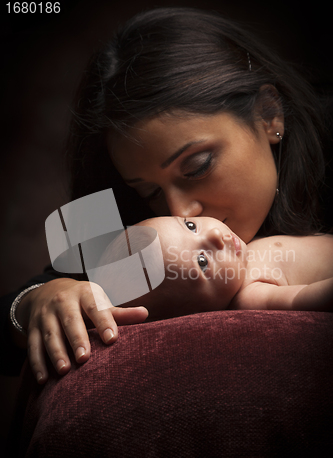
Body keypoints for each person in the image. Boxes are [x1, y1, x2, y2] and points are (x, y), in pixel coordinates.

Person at [2, 7, 329, 383]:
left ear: (270, 115)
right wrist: (37, 300)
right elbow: (29, 296)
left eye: (197, 167)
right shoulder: (128, 213)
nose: (178, 209)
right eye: (151, 191)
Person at [94, 216, 333, 320]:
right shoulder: (250, 295)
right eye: (202, 262)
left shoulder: (242, 252)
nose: (217, 235)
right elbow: (302, 299)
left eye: (190, 226)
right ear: (199, 313)